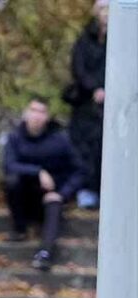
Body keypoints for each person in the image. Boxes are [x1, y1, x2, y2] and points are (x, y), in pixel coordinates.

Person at [3, 97, 85, 271]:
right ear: (26, 114)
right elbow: (9, 165)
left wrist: (63, 193)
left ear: (47, 117)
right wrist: (38, 172)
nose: (37, 116)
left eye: (42, 112)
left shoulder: (60, 140)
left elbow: (79, 171)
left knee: (54, 204)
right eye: (33, 110)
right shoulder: (15, 137)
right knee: (12, 181)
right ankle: (19, 229)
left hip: (51, 195)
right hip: (25, 195)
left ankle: (45, 253)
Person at [65, 0, 108, 210]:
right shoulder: (84, 40)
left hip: (112, 106)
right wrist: (94, 89)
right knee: (84, 149)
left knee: (105, 148)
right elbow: (79, 68)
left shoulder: (123, 39)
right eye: (103, 10)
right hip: (86, 105)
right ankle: (86, 191)